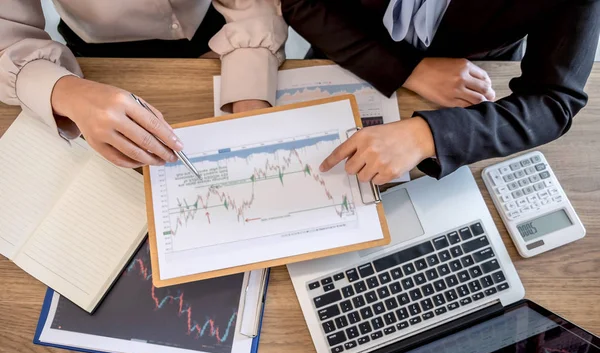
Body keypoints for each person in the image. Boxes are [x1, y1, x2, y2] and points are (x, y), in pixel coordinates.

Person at [282, 0, 600, 184]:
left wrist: (430, 135)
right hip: (347, 50)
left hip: (471, 75)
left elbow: (554, 99)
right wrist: (408, 69)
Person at [0, 1, 287, 168]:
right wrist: (67, 92)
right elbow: (6, 39)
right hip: (100, 63)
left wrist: (251, 82)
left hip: (220, 34)